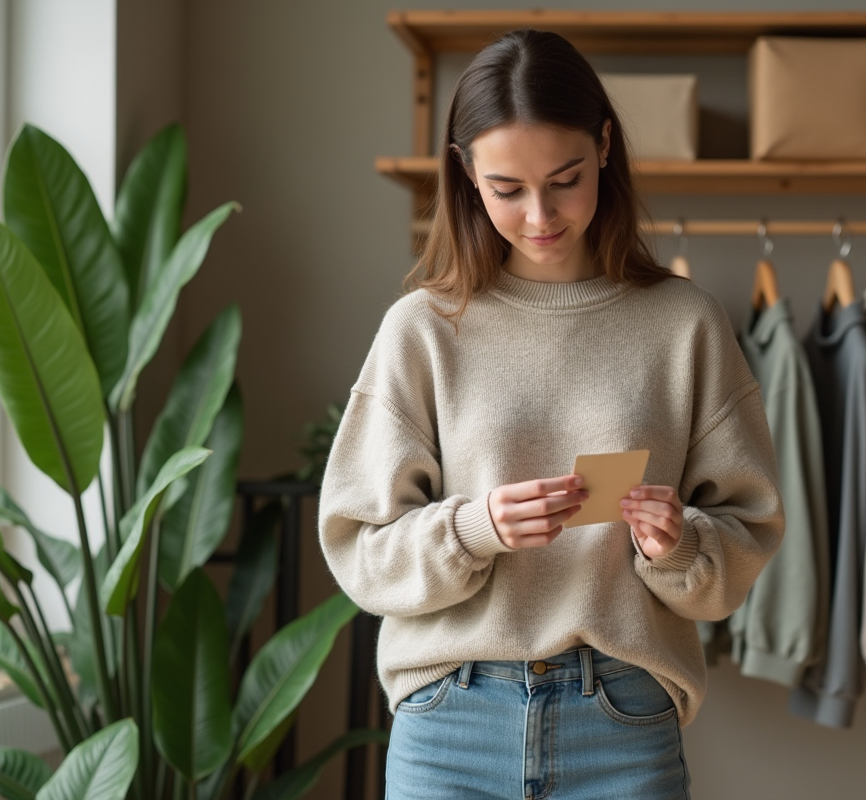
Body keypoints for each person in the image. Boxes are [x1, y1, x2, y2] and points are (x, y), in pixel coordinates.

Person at [318, 27, 784, 799]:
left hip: (623, 721)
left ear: (605, 146)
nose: (540, 214)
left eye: (565, 179)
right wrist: (476, 529)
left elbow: (745, 539)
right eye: (507, 189)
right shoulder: (424, 329)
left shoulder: (685, 324)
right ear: (466, 175)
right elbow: (360, 549)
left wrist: (676, 545)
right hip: (449, 723)